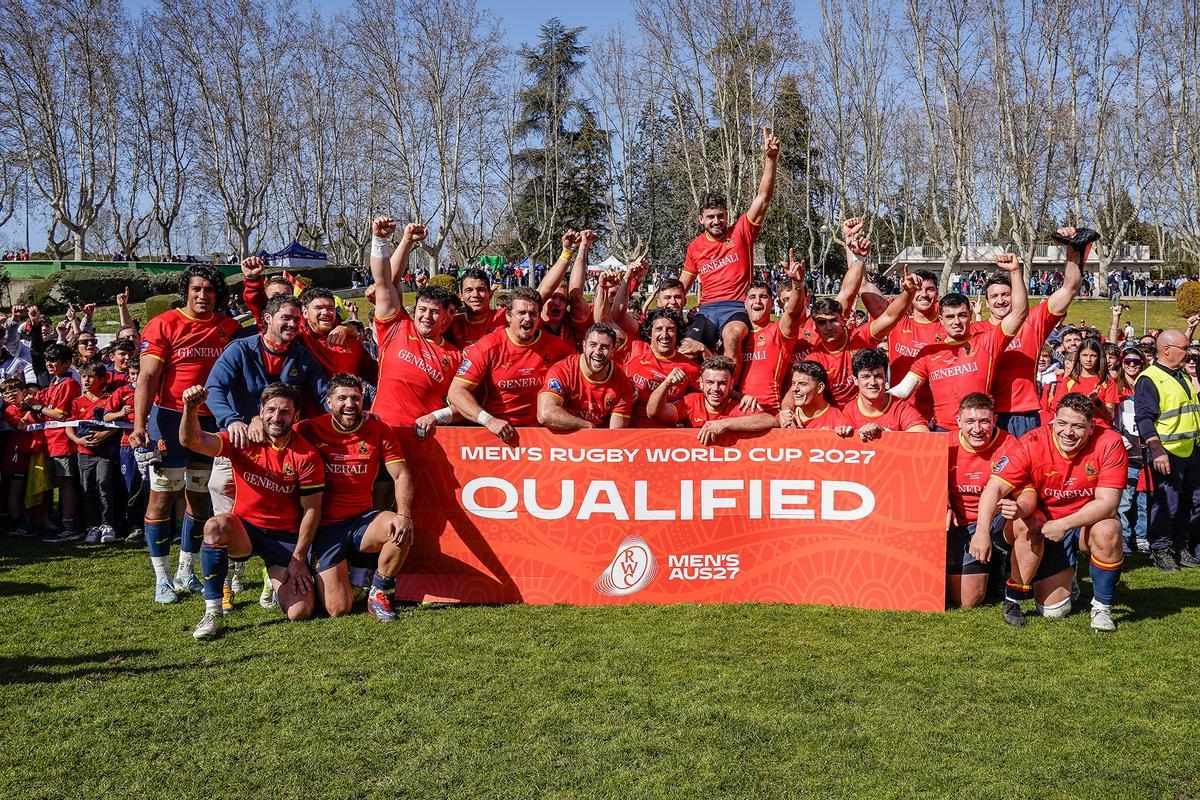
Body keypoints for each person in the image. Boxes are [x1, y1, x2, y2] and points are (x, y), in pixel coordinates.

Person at [131, 264, 242, 604]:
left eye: (209, 290)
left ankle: (185, 570)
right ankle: (161, 578)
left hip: (212, 422)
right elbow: (148, 378)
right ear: (186, 291)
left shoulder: (229, 328)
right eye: (197, 289)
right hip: (169, 419)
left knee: (199, 498)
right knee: (163, 496)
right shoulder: (164, 323)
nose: (203, 295)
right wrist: (139, 425)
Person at [181, 383, 324, 640]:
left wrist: (298, 558)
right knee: (215, 527)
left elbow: (312, 510)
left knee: (300, 612)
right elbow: (191, 440)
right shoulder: (243, 438)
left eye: (284, 412)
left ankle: (273, 576)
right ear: (261, 411)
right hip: (246, 530)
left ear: (296, 416)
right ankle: (213, 612)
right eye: (271, 410)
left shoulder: (306, 455)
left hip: (284, 538)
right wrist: (191, 408)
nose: (276, 417)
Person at [976, 392, 1128, 631]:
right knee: (1053, 612)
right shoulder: (1031, 442)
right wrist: (981, 532)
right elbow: (994, 487)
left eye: (1078, 426)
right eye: (1062, 423)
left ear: (1091, 427)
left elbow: (1108, 504)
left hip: (1080, 524)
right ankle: (1025, 589)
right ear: (1052, 420)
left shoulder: (1109, 442)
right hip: (1044, 526)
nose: (1068, 432)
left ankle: (1102, 607)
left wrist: (1065, 524)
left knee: (1109, 527)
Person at [294, 374, 414, 622]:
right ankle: (326, 572)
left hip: (362, 519)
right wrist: (253, 420)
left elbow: (401, 475)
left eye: (355, 398)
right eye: (342, 398)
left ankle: (378, 591)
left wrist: (404, 514)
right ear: (328, 402)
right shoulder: (309, 428)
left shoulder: (379, 430)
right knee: (338, 609)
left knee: (400, 529)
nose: (350, 404)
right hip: (324, 527)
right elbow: (276, 431)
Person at [678, 128, 780, 376]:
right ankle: (703, 391)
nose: (716, 221)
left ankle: (731, 395)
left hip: (735, 307)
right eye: (710, 217)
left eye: (720, 216)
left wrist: (770, 159)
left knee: (732, 337)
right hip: (706, 309)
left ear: (727, 216)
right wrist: (667, 308)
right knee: (686, 349)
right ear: (701, 219)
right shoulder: (695, 247)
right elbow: (682, 286)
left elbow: (763, 198)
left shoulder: (741, 231)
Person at [889, 254, 1028, 431]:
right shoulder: (928, 353)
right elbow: (903, 390)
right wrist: (868, 398)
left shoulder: (987, 341)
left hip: (978, 430)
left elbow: (1019, 313)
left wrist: (1015, 272)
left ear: (970, 315)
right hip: (942, 431)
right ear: (941, 319)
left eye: (962, 315)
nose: (956, 322)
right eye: (950, 317)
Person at [974, 228, 1084, 436]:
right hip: (985, 415)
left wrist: (1073, 251)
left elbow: (1070, 288)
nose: (1000, 300)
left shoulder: (1032, 321)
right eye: (994, 296)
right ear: (986, 303)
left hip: (1023, 414)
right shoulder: (975, 331)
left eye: (1006, 294)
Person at [368, 217, 463, 435]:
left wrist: (436, 416)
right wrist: (382, 240)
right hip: (381, 433)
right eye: (422, 310)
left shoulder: (456, 356)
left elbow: (465, 406)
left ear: (446, 317)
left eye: (435, 312)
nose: (426, 316)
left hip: (424, 444)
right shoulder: (397, 327)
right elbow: (386, 281)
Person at [447, 286, 574, 441]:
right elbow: (456, 392)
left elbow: (580, 373)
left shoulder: (556, 346)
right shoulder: (488, 346)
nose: (528, 319)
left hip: (542, 435)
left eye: (533, 314)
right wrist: (488, 420)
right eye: (521, 313)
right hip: (497, 433)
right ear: (508, 315)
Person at [1134, 328, 1200, 572]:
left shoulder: (1180, 376)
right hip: (1168, 453)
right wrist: (1156, 449)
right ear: (1166, 350)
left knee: (1193, 502)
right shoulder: (1150, 378)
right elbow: (1144, 419)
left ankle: (1179, 546)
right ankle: (1161, 549)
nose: (1189, 353)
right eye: (1185, 348)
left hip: (1191, 450)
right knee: (1167, 504)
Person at [594, 277, 701, 428]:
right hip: (627, 431)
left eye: (671, 330)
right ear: (649, 333)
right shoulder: (634, 348)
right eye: (658, 329)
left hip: (664, 441)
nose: (664, 335)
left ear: (678, 334)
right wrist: (603, 288)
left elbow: (712, 394)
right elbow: (603, 322)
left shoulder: (690, 367)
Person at [946, 393, 1016, 608]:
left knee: (1024, 523)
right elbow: (927, 482)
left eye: (984, 421)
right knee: (966, 601)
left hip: (995, 522)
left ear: (994, 420)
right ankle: (991, 565)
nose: (977, 429)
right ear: (958, 421)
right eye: (970, 421)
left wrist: (1017, 505)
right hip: (961, 522)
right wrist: (946, 506)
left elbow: (1026, 491)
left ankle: (1003, 560)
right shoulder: (945, 443)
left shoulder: (1009, 444)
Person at [645, 355, 777, 441]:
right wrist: (666, 384)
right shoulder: (691, 401)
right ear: (701, 383)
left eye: (722, 383)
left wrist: (725, 424)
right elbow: (653, 413)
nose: (715, 388)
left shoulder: (738, 405)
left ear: (731, 384)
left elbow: (770, 420)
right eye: (710, 382)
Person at [737, 253, 807, 415]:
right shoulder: (736, 336)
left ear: (771, 303)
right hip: (739, 410)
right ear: (745, 304)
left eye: (763, 297)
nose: (757, 302)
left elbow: (793, 312)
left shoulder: (778, 330)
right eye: (752, 297)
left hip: (771, 412)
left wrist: (797, 284)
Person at [537, 324, 635, 430]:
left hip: (600, 441)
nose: (597, 352)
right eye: (593, 345)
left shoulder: (622, 383)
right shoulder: (563, 370)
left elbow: (616, 433)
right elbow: (545, 414)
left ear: (613, 351)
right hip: (563, 439)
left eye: (605, 347)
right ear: (584, 346)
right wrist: (587, 426)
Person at [65, 362, 119, 544]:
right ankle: (92, 526)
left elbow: (117, 425)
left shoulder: (109, 398)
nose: (86, 381)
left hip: (104, 452)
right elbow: (69, 427)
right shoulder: (77, 402)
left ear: (102, 379)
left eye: (91, 377)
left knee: (104, 485)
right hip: (83, 452)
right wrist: (78, 440)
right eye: (84, 377)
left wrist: (104, 434)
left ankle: (107, 525)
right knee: (87, 489)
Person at [33, 343, 81, 542]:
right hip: (50, 441)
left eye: (54, 360)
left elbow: (60, 415)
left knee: (66, 483)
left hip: (63, 441)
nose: (49, 363)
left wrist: (38, 407)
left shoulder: (69, 384)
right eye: (47, 360)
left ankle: (70, 525)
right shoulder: (54, 382)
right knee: (57, 484)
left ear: (67, 363)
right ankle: (63, 521)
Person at [840, 348, 929, 440]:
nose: (873, 382)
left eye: (878, 376)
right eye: (866, 377)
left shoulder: (900, 408)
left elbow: (924, 437)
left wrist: (885, 432)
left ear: (886, 378)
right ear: (855, 380)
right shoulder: (848, 411)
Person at [1113, 345, 1149, 554]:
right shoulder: (1116, 388)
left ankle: (1142, 536)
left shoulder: (1147, 386)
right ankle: (1125, 537)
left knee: (1144, 500)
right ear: (1122, 364)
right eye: (1128, 362)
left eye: (1137, 362)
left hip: (1144, 450)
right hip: (1125, 450)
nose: (1132, 365)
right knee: (1124, 500)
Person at [1041, 338, 1117, 427]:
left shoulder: (1107, 381)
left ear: (1099, 357)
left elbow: (1110, 415)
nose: (1088, 359)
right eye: (1084, 355)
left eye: (1093, 355)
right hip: (1073, 429)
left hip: (1099, 428)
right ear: (1079, 357)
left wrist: (1097, 402)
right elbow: (1059, 410)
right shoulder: (1069, 381)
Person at [779, 360, 852, 435]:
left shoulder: (838, 421)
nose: (795, 389)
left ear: (820, 388)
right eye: (793, 383)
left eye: (803, 384)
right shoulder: (784, 417)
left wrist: (831, 439)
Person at [446, 267, 506, 348]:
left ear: (490, 294)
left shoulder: (505, 317)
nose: (475, 295)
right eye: (469, 290)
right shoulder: (451, 323)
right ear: (461, 296)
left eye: (481, 289)